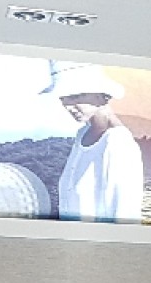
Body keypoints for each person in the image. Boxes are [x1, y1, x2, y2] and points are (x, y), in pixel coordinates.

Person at [40, 62, 143, 223]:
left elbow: (125, 217)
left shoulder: (118, 143)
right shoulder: (82, 136)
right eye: (63, 98)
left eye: (75, 97)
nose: (68, 106)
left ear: (99, 94)